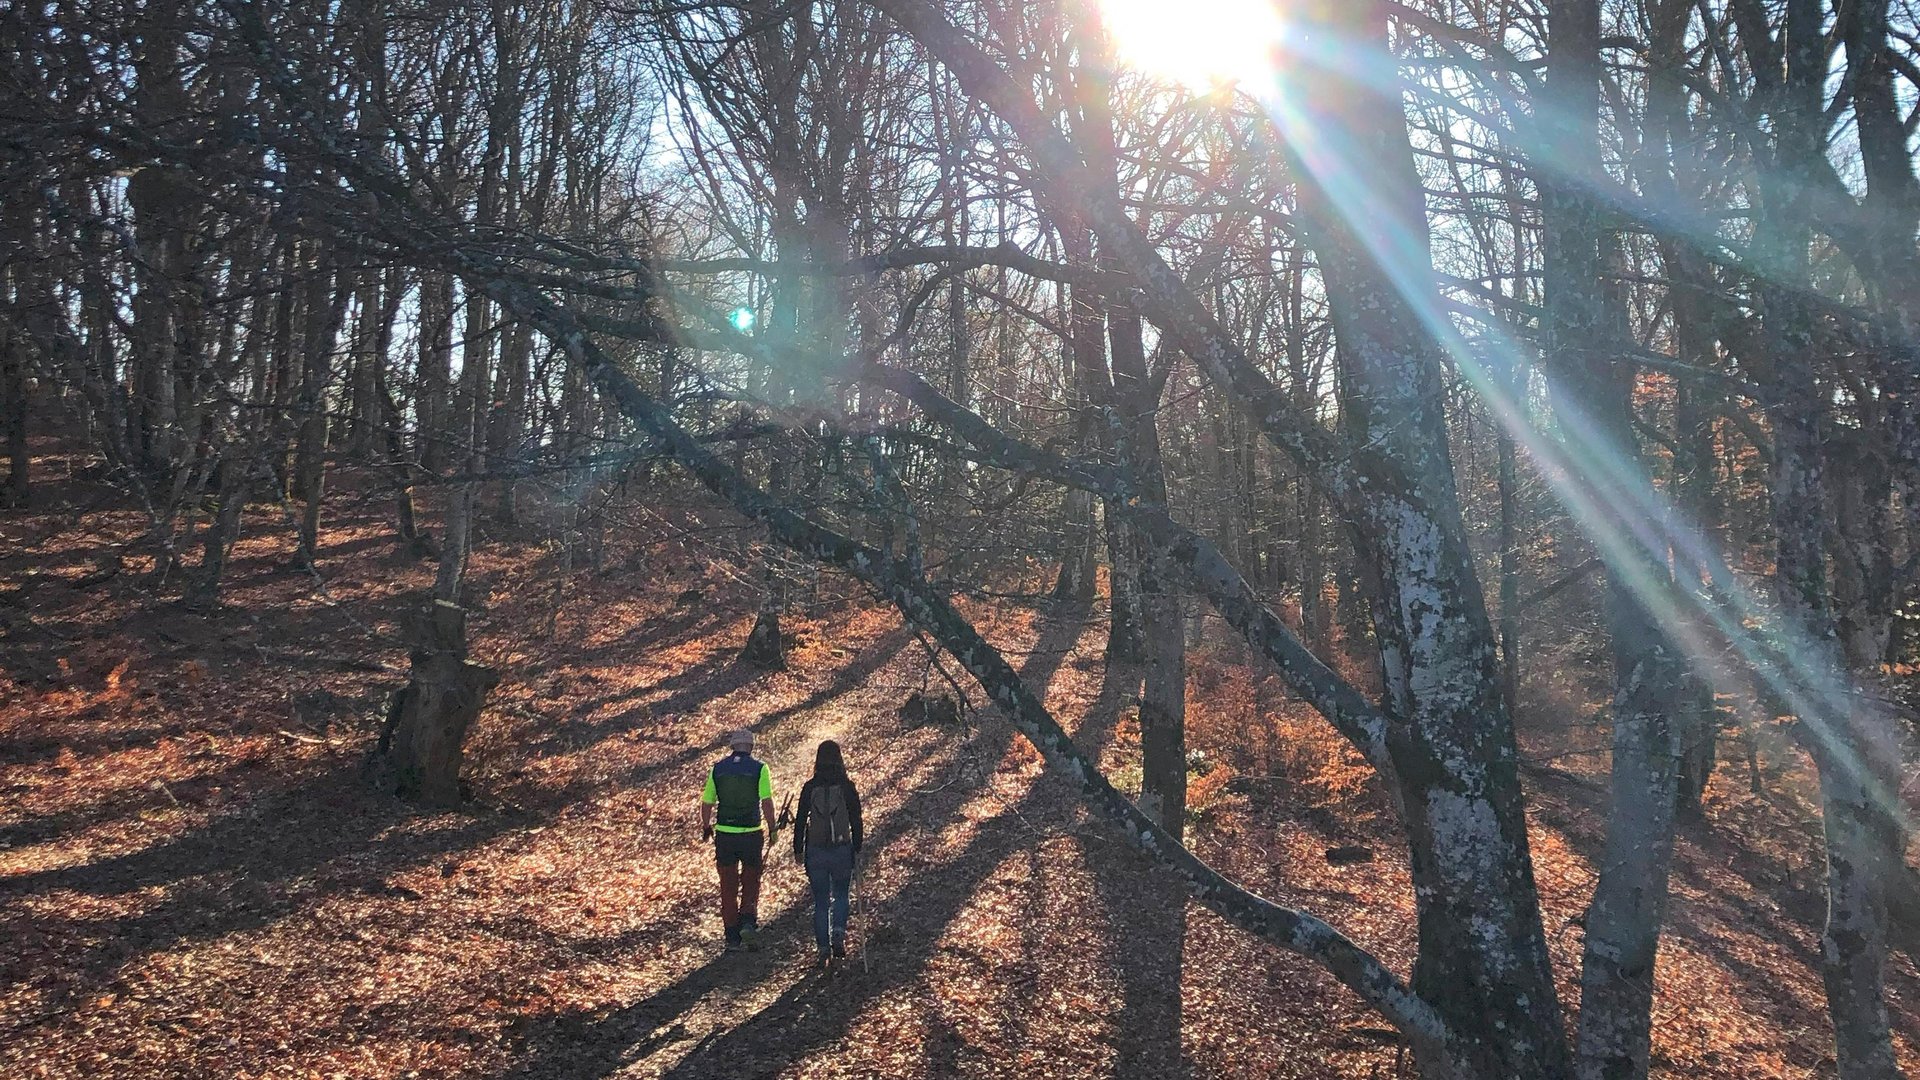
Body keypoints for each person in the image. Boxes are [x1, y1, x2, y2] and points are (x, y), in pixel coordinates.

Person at [700, 728, 776, 951]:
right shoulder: (760, 769)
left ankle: (731, 935)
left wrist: (706, 826)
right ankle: (748, 922)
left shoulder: (718, 769)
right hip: (752, 833)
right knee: (752, 880)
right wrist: (772, 829)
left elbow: (707, 803)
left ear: (732, 746)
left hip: (725, 834)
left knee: (728, 884)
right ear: (750, 747)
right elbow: (767, 803)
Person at [791, 739, 863, 966]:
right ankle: (839, 931)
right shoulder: (846, 786)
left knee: (821, 901)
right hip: (842, 848)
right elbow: (856, 818)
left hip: (816, 850)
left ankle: (823, 947)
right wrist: (857, 846)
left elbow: (801, 820)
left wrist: (798, 849)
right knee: (841, 894)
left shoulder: (809, 787)